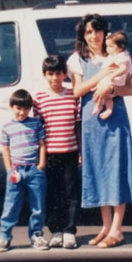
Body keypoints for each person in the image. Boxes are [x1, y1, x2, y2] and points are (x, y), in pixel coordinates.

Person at [67, 13, 132, 249]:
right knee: (98, 172)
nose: (93, 36)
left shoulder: (117, 55)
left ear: (104, 32)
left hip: (115, 120)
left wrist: (110, 89)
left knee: (117, 171)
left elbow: (129, 89)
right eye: (88, 32)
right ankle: (106, 227)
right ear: (83, 36)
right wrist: (101, 77)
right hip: (92, 123)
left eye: (97, 30)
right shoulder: (78, 59)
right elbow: (77, 91)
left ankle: (117, 230)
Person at [33, 54, 81, 250]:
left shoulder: (72, 96)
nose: (54, 78)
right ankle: (56, 231)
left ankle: (69, 231)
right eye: (50, 74)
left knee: (71, 192)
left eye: (58, 74)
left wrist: (80, 151)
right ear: (45, 75)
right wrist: (40, 156)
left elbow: (77, 126)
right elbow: (38, 131)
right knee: (53, 193)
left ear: (65, 75)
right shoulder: (39, 99)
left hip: (70, 151)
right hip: (50, 154)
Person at [0, 88, 48, 252]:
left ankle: (36, 235)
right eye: (18, 108)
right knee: (11, 205)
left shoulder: (35, 123)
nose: (22, 112)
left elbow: (42, 145)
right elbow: (5, 149)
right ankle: (4, 236)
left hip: (34, 171)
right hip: (16, 171)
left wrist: (41, 165)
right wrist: (9, 169)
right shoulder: (7, 127)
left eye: (26, 108)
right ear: (11, 106)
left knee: (37, 206)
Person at [92, 31, 132, 120]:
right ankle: (106, 108)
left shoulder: (122, 56)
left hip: (116, 81)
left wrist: (111, 76)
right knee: (105, 96)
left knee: (103, 94)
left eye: (111, 46)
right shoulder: (114, 55)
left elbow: (123, 69)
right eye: (107, 46)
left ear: (121, 47)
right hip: (112, 81)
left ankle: (101, 106)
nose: (108, 49)